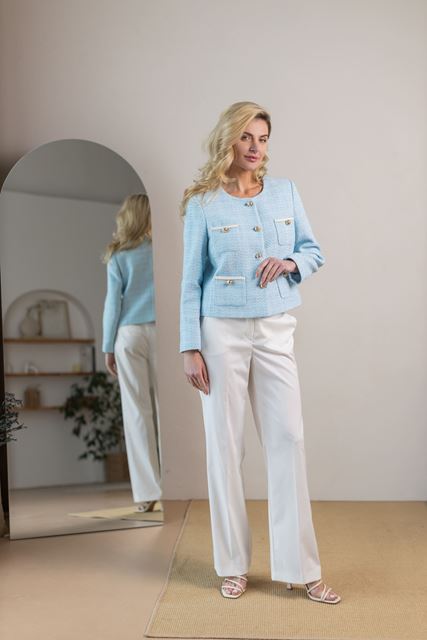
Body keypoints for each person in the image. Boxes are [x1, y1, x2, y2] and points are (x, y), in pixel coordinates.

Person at [179, 101, 341, 604]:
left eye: (263, 138)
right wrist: (190, 346)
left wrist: (290, 261)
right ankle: (232, 565)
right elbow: (190, 280)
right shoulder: (202, 202)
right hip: (219, 332)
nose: (255, 147)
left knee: (288, 438)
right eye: (247, 136)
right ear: (228, 138)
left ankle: (302, 569)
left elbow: (313, 251)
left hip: (274, 328)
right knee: (224, 446)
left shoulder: (285, 191)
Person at [101, 193, 162, 513]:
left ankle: (147, 493)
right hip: (163, 332)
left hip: (128, 335)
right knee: (168, 410)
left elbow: (113, 304)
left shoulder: (118, 255)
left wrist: (107, 347)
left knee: (137, 412)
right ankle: (178, 484)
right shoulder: (163, 250)